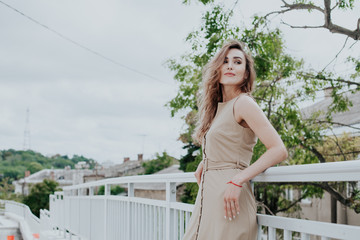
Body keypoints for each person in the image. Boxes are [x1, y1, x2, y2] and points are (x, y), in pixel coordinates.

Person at [182, 39, 288, 240]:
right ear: (218, 69)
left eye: (238, 62)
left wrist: (239, 179)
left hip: (230, 202)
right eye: (225, 61)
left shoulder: (244, 103)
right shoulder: (218, 110)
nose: (231, 65)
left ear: (246, 72)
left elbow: (278, 149)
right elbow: (230, 142)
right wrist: (208, 162)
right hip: (207, 200)